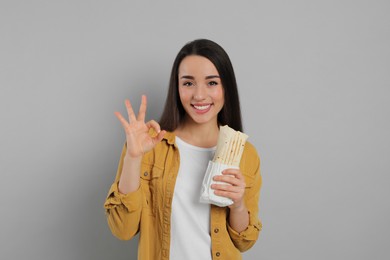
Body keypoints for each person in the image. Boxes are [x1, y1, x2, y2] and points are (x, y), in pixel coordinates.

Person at [104, 39, 262, 260]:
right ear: (177, 87)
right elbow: (123, 229)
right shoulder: (149, 145)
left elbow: (245, 242)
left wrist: (237, 205)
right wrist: (132, 157)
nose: (199, 95)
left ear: (226, 87)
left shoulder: (246, 154)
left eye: (212, 83)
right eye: (188, 83)